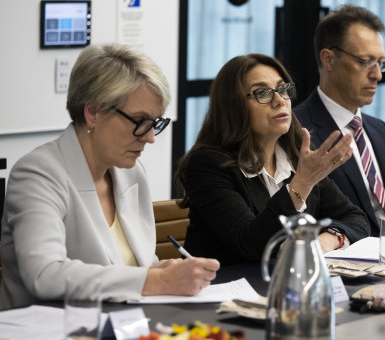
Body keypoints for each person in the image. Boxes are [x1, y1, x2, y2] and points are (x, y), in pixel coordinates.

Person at [0, 44, 220, 310]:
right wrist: (156, 280)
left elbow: (132, 266)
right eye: (140, 121)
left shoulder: (131, 173)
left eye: (155, 123)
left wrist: (159, 269)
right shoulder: (38, 173)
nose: (150, 137)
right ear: (93, 113)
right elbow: (44, 274)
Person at [175, 54, 370, 265]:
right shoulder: (207, 165)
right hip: (227, 290)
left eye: (283, 89)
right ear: (234, 105)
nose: (279, 101)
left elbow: (356, 218)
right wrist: (302, 184)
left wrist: (331, 239)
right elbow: (250, 244)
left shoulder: (295, 156)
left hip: (288, 285)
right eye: (263, 93)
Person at [294, 4, 385, 236]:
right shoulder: (298, 131)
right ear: (329, 60)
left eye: (381, 62)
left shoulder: (380, 130)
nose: (378, 74)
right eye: (366, 62)